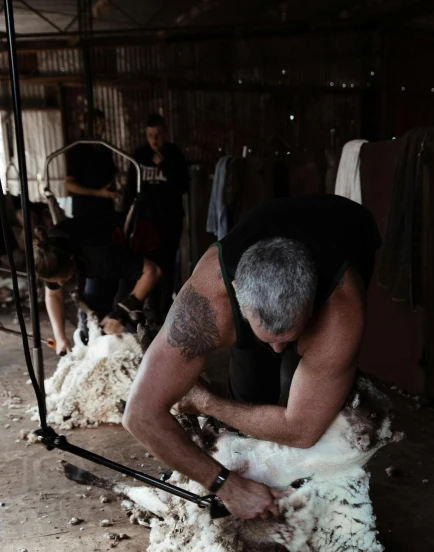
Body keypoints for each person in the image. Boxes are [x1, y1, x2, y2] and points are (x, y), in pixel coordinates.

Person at [123, 194, 381, 521]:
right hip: (268, 233)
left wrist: (206, 401)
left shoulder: (340, 311)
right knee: (249, 390)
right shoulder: (205, 303)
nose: (277, 349)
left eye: (288, 338)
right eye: (268, 338)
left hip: (350, 227)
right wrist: (226, 485)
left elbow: (301, 429)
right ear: (235, 293)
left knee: (306, 413)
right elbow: (139, 414)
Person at [34, 214, 161, 355]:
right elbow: (53, 295)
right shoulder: (48, 252)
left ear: (71, 261)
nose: (60, 284)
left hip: (132, 246)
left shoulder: (100, 256)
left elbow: (153, 271)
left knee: (124, 324)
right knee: (91, 321)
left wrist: (121, 311)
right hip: (94, 259)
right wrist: (60, 337)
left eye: (63, 279)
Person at [123, 113, 189, 322]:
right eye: (150, 135)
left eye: (158, 135)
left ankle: (166, 308)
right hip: (146, 222)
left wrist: (166, 168)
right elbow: (129, 191)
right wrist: (125, 218)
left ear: (165, 134)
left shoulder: (174, 155)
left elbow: (184, 186)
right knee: (149, 264)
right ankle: (149, 305)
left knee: (169, 264)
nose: (154, 140)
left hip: (170, 220)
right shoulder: (139, 156)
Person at [65, 109, 119, 219]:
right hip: (85, 213)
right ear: (85, 127)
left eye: (102, 126)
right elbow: (69, 184)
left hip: (106, 210)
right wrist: (99, 193)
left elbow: (112, 175)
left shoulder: (105, 148)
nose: (100, 130)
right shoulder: (76, 150)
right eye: (96, 126)